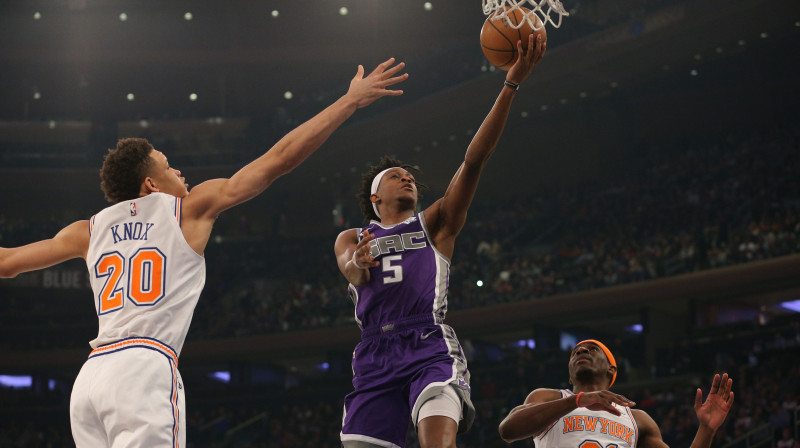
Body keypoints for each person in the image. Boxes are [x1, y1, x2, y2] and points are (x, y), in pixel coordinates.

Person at [0, 58, 408, 447]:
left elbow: (6, 263)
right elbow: (279, 159)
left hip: (90, 380)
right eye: (167, 165)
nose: (179, 171)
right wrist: (349, 100)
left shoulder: (86, 231)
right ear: (150, 185)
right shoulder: (187, 208)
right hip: (143, 368)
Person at [333, 34, 546, 448]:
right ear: (376, 197)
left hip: (426, 344)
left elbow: (474, 159)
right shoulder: (353, 236)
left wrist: (511, 84)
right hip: (374, 352)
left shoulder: (435, 224)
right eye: (396, 175)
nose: (407, 176)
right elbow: (349, 270)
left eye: (409, 175)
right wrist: (359, 262)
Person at [498, 339, 735, 448]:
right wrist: (578, 400)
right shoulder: (549, 398)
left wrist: (707, 429)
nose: (581, 350)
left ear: (611, 369)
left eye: (592, 349)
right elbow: (508, 430)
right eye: (576, 351)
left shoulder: (637, 419)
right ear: (570, 377)